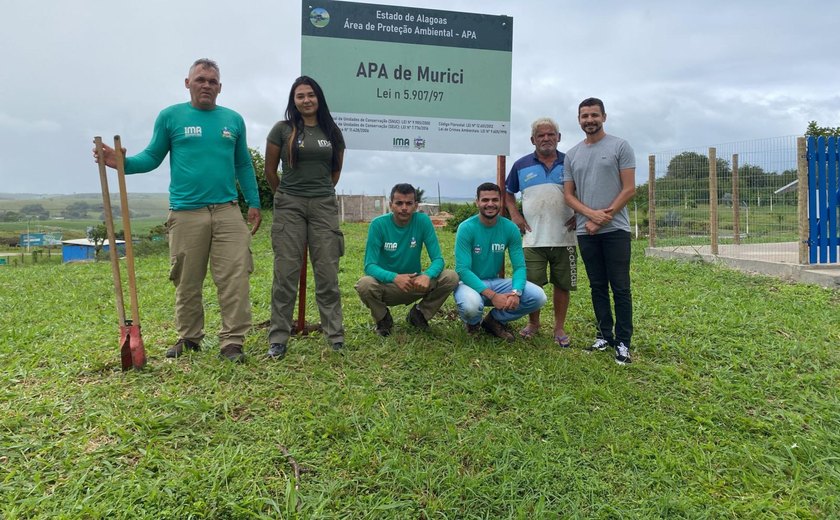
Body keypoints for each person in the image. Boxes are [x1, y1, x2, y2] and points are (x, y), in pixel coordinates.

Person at [93, 58, 262, 363]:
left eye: (212, 81)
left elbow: (242, 164)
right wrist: (122, 163)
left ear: (220, 87)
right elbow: (152, 157)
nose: (206, 85)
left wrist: (254, 202)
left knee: (235, 277)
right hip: (186, 212)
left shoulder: (233, 120)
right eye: (200, 79)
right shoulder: (171, 117)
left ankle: (232, 342)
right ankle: (190, 337)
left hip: (227, 210)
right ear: (188, 83)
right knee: (187, 279)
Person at [264, 76, 346, 359]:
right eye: (300, 96)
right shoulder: (282, 130)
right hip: (289, 205)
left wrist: (318, 194)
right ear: (293, 101)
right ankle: (278, 338)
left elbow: (335, 171)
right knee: (285, 273)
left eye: (310, 95)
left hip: (323, 205)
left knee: (327, 273)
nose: (306, 100)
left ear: (318, 98)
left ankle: (334, 335)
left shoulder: (332, 132)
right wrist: (287, 196)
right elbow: (270, 171)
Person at [563, 97, 636, 365]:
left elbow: (629, 189)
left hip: (615, 230)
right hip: (586, 232)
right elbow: (569, 196)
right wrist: (590, 216)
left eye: (594, 115)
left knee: (620, 286)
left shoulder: (620, 146)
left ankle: (624, 342)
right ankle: (604, 334)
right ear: (579, 120)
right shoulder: (572, 154)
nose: (589, 120)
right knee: (597, 285)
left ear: (604, 117)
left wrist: (602, 217)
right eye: (584, 116)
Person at [505, 117, 577, 347]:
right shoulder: (521, 165)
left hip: (565, 237)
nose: (546, 139)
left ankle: (559, 327)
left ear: (559, 137)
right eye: (541, 135)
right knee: (532, 285)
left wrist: (581, 214)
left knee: (562, 284)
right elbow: (508, 193)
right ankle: (534, 323)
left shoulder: (571, 162)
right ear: (532, 139)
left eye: (550, 134)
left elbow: (584, 190)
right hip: (532, 237)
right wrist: (515, 215)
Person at [355, 183, 458, 336]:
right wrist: (394, 277)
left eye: (409, 203)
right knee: (364, 284)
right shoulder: (378, 225)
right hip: (388, 285)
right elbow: (370, 266)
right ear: (391, 205)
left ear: (416, 206)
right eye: (399, 203)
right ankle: (383, 319)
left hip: (415, 283)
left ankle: (419, 315)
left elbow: (438, 259)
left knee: (451, 277)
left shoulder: (422, 221)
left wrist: (427, 275)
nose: (404, 207)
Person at [453, 182, 547, 341]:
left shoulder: (510, 228)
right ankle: (473, 323)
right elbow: (462, 270)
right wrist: (493, 295)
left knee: (538, 296)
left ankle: (494, 320)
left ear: (501, 201)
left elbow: (519, 267)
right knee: (471, 307)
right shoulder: (466, 227)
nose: (490, 204)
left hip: (495, 281)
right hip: (469, 284)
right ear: (477, 202)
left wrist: (516, 292)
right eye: (485, 200)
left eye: (495, 200)